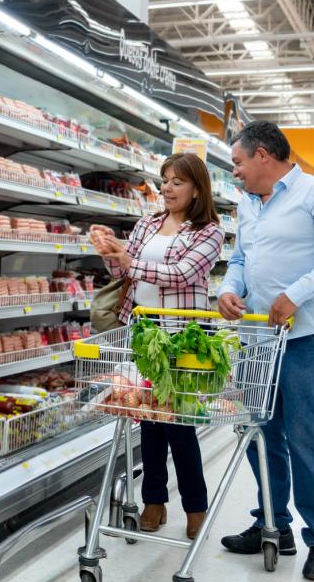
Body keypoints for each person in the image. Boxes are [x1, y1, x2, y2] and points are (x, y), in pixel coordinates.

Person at [217, 121, 314, 582]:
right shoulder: (247, 203)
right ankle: (273, 524)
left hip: (303, 338)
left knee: (303, 435)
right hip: (255, 338)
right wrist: (228, 289)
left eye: (238, 162)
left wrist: (295, 295)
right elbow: (241, 259)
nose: (234, 171)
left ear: (263, 155)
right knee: (259, 433)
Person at [89, 153, 224, 540]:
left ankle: (195, 506)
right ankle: (153, 501)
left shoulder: (208, 231)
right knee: (148, 420)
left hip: (184, 335)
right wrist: (111, 253)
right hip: (144, 332)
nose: (167, 188)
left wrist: (130, 262)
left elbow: (183, 274)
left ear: (197, 189)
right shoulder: (147, 223)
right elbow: (124, 272)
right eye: (164, 181)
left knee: (179, 422)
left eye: (177, 182)